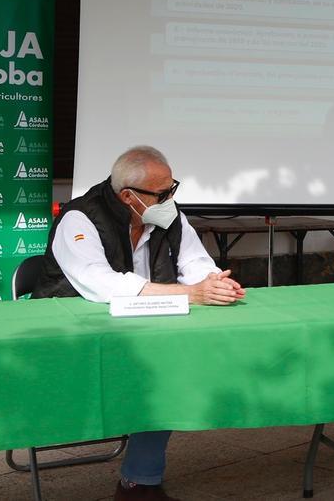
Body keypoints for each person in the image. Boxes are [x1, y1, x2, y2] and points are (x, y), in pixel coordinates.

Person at [35, 146, 245, 501]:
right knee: (156, 370)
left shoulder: (165, 216)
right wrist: (190, 294)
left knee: (168, 365)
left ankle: (139, 481)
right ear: (128, 196)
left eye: (172, 189)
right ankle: (140, 479)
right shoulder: (80, 219)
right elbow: (100, 283)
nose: (170, 199)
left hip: (147, 329)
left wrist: (213, 281)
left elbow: (195, 262)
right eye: (163, 193)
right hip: (81, 335)